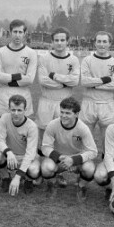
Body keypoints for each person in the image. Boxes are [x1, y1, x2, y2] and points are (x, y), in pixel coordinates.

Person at [36, 27, 80, 188]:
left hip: (65, 103)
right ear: (52, 41)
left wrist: (54, 76)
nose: (60, 43)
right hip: (46, 101)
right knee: (44, 138)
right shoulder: (44, 59)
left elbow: (75, 81)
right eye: (56, 40)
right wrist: (64, 82)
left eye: (63, 40)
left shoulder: (73, 60)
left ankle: (58, 173)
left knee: (61, 139)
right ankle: (41, 170)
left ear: (67, 41)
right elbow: (42, 80)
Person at [40, 97, 98, 202]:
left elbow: (93, 151)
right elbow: (45, 146)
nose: (63, 116)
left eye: (68, 113)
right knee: (46, 167)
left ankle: (81, 186)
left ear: (76, 114)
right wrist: (59, 157)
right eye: (62, 112)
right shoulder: (52, 125)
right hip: (59, 158)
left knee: (89, 169)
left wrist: (74, 160)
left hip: (77, 159)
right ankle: (52, 184)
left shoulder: (83, 128)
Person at [80, 31, 114, 154]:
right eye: (99, 41)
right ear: (95, 43)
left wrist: (94, 85)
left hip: (107, 104)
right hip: (88, 103)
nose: (101, 44)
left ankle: (106, 163)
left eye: (105, 41)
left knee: (108, 138)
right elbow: (84, 82)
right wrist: (104, 80)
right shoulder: (87, 60)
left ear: (110, 44)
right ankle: (85, 165)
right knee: (85, 136)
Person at [0, 19, 37, 129]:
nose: (17, 35)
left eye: (20, 32)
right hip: (2, 98)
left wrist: (7, 79)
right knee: (1, 133)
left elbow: (30, 79)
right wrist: (18, 76)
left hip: (23, 96)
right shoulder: (0, 52)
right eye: (15, 32)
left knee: (22, 134)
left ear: (25, 34)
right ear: (10, 32)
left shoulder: (31, 53)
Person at [0, 95, 40, 196]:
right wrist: (8, 152)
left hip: (25, 156)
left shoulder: (32, 126)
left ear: (25, 110)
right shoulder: (4, 118)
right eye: (13, 110)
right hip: (10, 154)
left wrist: (18, 176)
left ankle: (28, 180)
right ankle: (6, 177)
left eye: (19, 110)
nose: (16, 113)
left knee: (34, 170)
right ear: (9, 108)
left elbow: (30, 153)